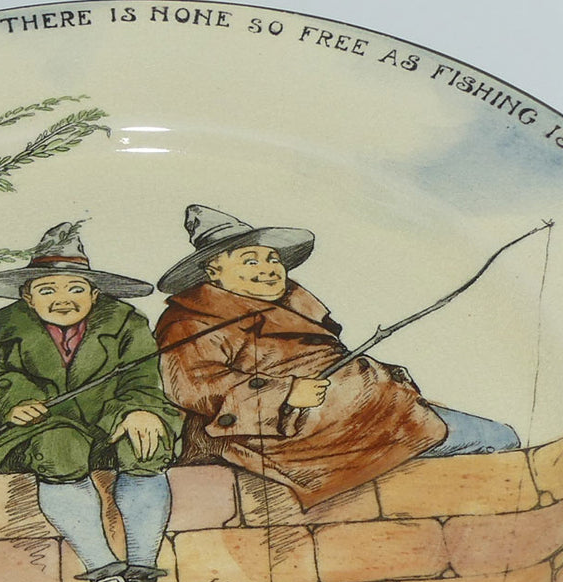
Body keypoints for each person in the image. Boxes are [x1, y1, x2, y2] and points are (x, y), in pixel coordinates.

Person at [155, 205, 519, 508]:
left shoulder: (292, 303)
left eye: (272, 258)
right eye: (250, 261)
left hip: (366, 414)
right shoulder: (190, 322)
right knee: (496, 438)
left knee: (500, 437)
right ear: (213, 271)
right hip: (292, 436)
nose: (268, 269)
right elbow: (195, 386)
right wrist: (285, 393)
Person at [0, 222, 183, 582]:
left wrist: (139, 410)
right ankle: (105, 572)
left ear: (94, 294)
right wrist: (12, 405)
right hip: (41, 430)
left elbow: (142, 380)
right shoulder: (5, 324)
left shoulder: (126, 321)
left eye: (76, 289)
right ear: (27, 297)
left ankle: (141, 569)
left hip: (106, 424)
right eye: (48, 290)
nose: (63, 300)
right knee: (60, 447)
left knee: (147, 444)